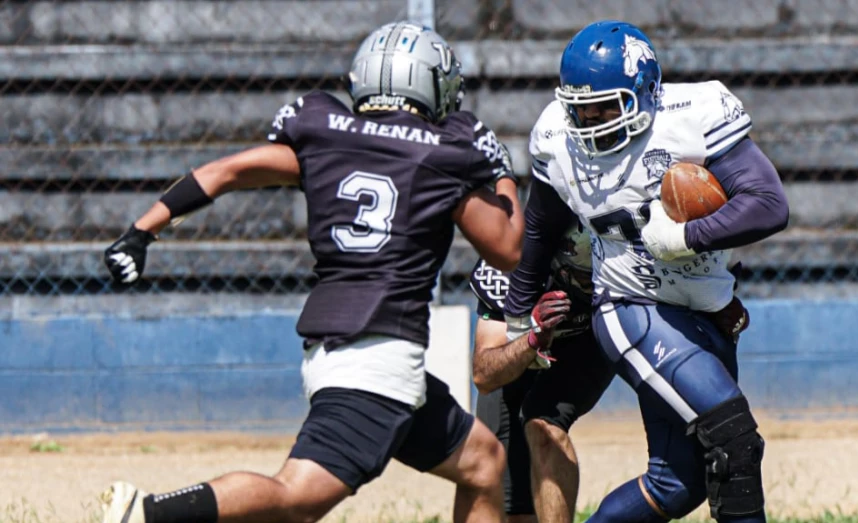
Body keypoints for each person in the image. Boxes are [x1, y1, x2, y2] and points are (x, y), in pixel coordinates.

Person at [99, 21, 524, 523]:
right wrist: (502, 174)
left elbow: (226, 171)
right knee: (295, 498)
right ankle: (147, 515)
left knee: (482, 461)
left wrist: (141, 230)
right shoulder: (439, 153)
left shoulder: (326, 133)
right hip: (380, 357)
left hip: (340, 349)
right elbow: (508, 250)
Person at [502, 20, 789, 523]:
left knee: (678, 484)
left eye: (605, 105)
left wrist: (685, 237)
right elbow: (540, 232)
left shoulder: (692, 115)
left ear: (645, 91)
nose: (590, 120)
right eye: (580, 107)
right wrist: (516, 318)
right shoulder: (556, 137)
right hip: (628, 305)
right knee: (734, 437)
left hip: (704, 307)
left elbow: (768, 203)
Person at [470, 220, 614, 523]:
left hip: (591, 337)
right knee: (503, 496)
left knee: (543, 424)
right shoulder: (513, 261)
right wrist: (532, 339)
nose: (587, 284)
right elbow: (484, 376)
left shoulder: (624, 253)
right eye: (580, 275)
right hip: (522, 346)